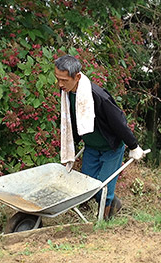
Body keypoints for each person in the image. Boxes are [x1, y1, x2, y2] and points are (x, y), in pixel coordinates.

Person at [55, 54, 145, 220]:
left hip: (110, 147)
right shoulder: (67, 93)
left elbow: (118, 121)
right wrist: (70, 146)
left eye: (64, 80)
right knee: (87, 186)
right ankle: (113, 204)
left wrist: (133, 145)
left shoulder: (97, 96)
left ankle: (104, 220)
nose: (60, 84)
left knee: (103, 187)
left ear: (77, 77)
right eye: (57, 79)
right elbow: (73, 121)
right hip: (91, 147)